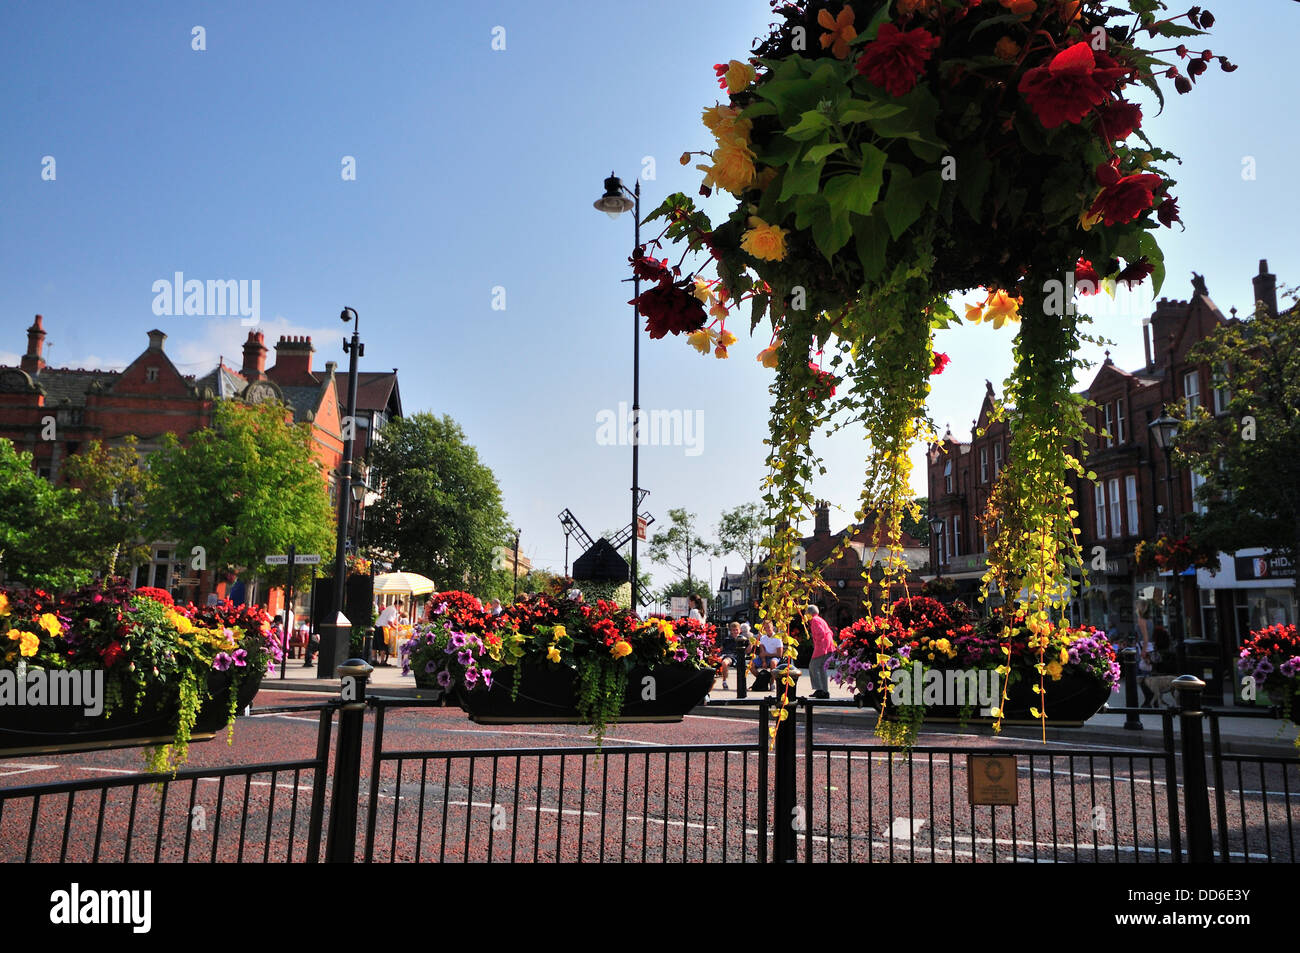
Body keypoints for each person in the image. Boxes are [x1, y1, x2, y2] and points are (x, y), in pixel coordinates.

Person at [806, 605, 837, 699]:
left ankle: (820, 690)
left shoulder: (815, 620)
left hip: (823, 647)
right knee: (821, 668)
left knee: (813, 666)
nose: (805, 615)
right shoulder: (820, 619)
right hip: (828, 646)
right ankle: (824, 691)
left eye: (806, 613)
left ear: (810, 613)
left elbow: (820, 633)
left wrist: (817, 644)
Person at [749, 620, 784, 691]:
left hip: (775, 657)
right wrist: (764, 661)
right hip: (765, 657)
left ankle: (772, 683)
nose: (767, 629)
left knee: (773, 663)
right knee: (750, 665)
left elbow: (779, 654)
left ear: (772, 627)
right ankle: (763, 680)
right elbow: (762, 651)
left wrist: (766, 654)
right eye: (765, 628)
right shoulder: (763, 638)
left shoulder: (778, 638)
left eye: (769, 627)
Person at [374, 602, 399, 666]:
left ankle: (374, 660)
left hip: (376, 626)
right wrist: (396, 628)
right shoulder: (393, 610)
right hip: (383, 628)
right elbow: (390, 622)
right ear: (398, 605)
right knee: (383, 644)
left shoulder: (388, 607)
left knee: (375, 644)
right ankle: (382, 661)